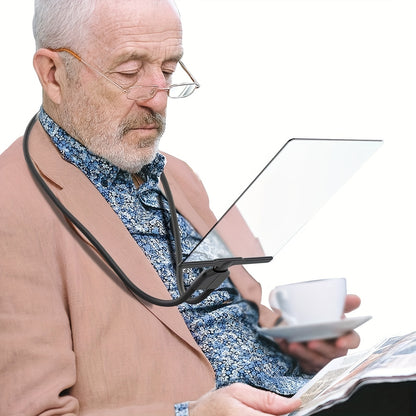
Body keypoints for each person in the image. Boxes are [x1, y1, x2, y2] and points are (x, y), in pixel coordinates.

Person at [0, 0, 361, 415]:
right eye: (130, 73)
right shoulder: (11, 207)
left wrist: (301, 345)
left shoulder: (179, 177)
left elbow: (230, 316)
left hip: (304, 395)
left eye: (168, 70)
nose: (159, 98)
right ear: (53, 74)